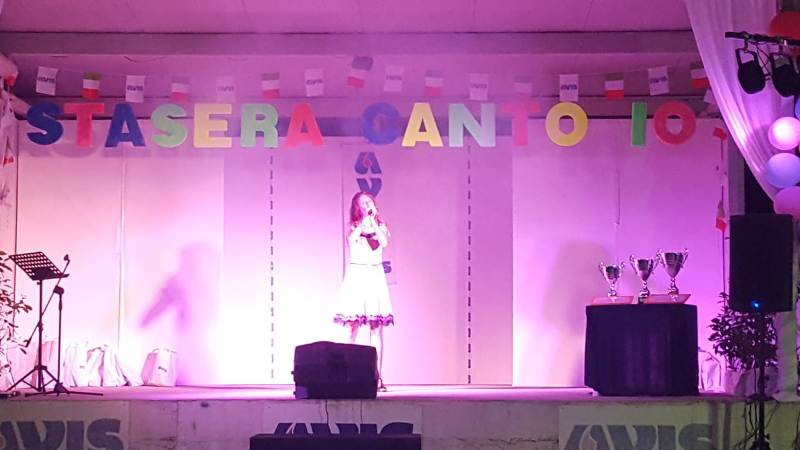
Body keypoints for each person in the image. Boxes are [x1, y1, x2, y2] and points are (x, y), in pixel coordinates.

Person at [334, 191, 393, 390]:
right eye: (364, 203)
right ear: (357, 207)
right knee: (352, 327)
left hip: (374, 276)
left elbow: (384, 242)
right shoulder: (353, 227)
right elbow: (351, 239)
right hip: (358, 277)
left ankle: (377, 375)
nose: (368, 205)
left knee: (376, 329)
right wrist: (363, 223)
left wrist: (374, 222)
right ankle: (345, 374)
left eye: (370, 202)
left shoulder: (380, 226)